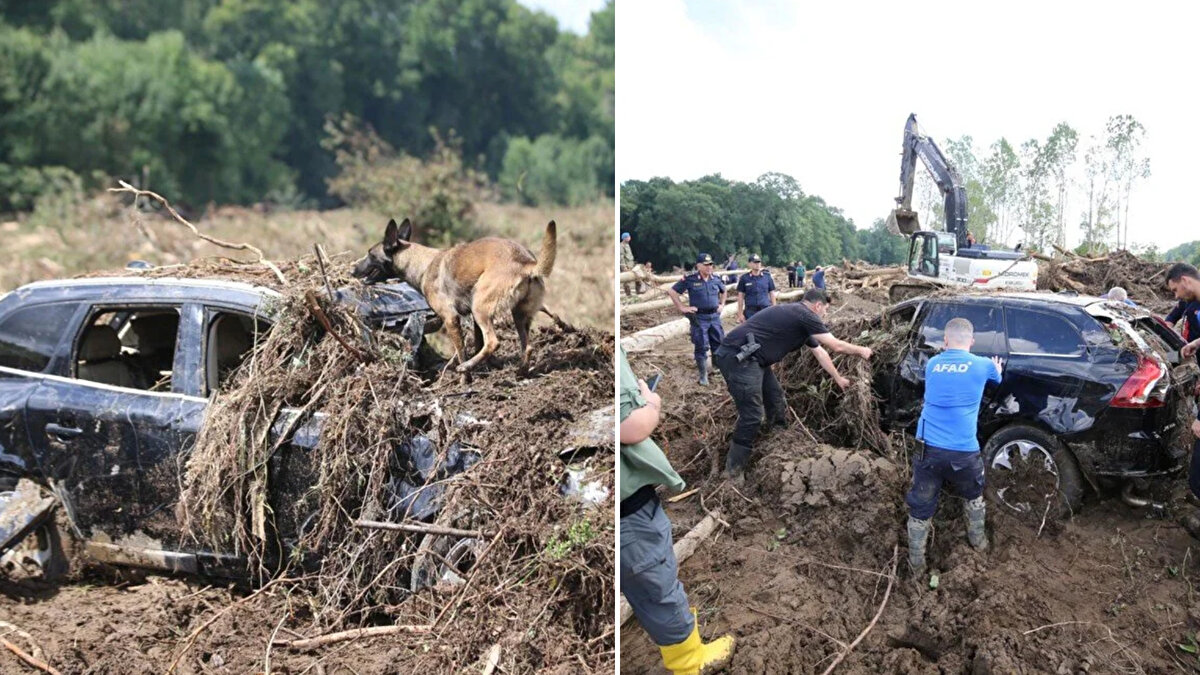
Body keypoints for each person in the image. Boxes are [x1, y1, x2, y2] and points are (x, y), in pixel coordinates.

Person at [619, 348, 736, 673]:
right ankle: (690, 663)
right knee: (657, 584)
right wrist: (651, 405)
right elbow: (631, 426)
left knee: (641, 582)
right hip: (627, 513)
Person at [714, 288, 872, 478]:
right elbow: (835, 345)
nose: (825, 314)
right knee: (753, 414)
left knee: (775, 397)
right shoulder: (805, 314)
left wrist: (838, 378)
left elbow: (821, 353)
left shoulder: (800, 319)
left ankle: (776, 438)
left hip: (755, 360)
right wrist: (862, 350)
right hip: (739, 359)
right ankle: (733, 470)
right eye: (825, 310)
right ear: (818, 305)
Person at [905, 318, 1003, 576]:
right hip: (963, 452)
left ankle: (916, 567)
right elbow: (998, 379)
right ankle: (979, 544)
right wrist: (997, 367)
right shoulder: (982, 365)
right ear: (971, 341)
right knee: (973, 495)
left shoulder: (934, 364)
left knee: (921, 506)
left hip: (927, 449)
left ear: (945, 341)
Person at [1164, 263, 1200, 539]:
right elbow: (1168, 320)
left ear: (1185, 280)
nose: (1176, 296)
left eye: (1176, 290)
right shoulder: (1189, 304)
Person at [668, 253, 727, 386]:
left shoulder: (716, 279)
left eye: (710, 264)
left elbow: (724, 291)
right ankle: (703, 374)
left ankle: (717, 369)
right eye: (706, 265)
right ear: (698, 266)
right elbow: (672, 292)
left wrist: (722, 305)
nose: (709, 267)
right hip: (700, 318)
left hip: (714, 317)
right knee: (701, 345)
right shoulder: (690, 279)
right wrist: (682, 307)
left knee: (718, 342)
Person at [736, 254, 776, 322]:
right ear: (749, 264)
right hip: (750, 312)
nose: (757, 264)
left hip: (765, 311)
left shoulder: (767, 277)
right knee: (751, 332)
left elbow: (772, 294)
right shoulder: (744, 278)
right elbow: (740, 297)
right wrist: (740, 314)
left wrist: (774, 310)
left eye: (759, 262)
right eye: (755, 262)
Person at [620, 232, 639, 296]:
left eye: (629, 236)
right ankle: (628, 294)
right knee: (626, 281)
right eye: (628, 237)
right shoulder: (621, 246)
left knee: (637, 277)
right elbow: (621, 257)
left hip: (631, 264)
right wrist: (624, 266)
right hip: (626, 266)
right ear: (624, 238)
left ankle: (638, 291)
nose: (629, 238)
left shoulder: (627, 245)